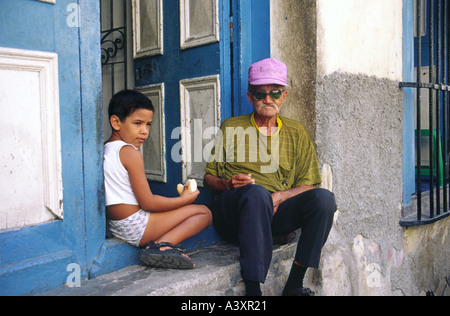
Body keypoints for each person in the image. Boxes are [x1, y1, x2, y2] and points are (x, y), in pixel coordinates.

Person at [204, 58, 337, 296]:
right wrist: (227, 184)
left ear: (284, 96)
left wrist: (281, 196)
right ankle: (254, 292)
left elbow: (308, 183)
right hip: (237, 212)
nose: (268, 99)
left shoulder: (296, 132)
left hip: (275, 212)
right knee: (256, 194)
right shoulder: (231, 127)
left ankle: (294, 284)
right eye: (260, 94)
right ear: (249, 97)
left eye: (275, 93)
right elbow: (208, 178)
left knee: (324, 200)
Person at [104, 90, 212, 269]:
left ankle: (160, 246)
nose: (144, 131)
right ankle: (162, 246)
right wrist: (182, 200)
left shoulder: (107, 148)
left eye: (148, 124)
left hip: (117, 225)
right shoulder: (130, 153)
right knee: (204, 213)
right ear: (116, 122)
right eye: (137, 123)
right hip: (135, 226)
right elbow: (148, 202)